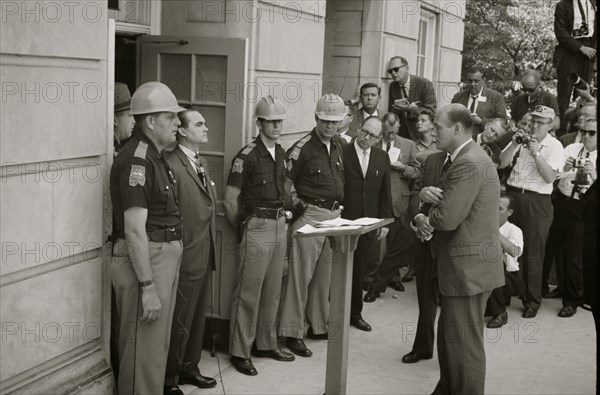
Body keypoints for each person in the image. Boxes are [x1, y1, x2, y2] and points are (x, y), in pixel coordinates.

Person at [415, 103, 504, 394]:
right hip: (467, 268)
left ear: (457, 128)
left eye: (437, 126)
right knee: (452, 340)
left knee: (464, 346)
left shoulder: (468, 162)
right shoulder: (464, 157)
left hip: (467, 270)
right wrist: (426, 199)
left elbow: (448, 217)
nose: (431, 130)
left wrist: (424, 216)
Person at [110, 81, 186, 394]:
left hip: (160, 255)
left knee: (154, 349)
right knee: (143, 351)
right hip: (147, 260)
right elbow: (133, 229)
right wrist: (148, 287)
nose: (179, 123)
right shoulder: (137, 160)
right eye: (171, 117)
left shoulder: (154, 155)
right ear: (151, 121)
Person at [224, 96, 295, 375]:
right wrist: (245, 230)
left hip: (279, 226)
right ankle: (239, 351)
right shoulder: (247, 156)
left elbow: (286, 192)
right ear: (259, 123)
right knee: (248, 294)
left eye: (279, 121)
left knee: (272, 291)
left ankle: (266, 344)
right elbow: (230, 200)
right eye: (271, 121)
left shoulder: (282, 153)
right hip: (257, 227)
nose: (276, 126)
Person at [279, 94, 345, 356]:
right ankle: (292, 332)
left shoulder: (338, 145)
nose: (330, 126)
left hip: (333, 217)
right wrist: (299, 208)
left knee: (322, 277)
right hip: (310, 217)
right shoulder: (302, 148)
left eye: (335, 121)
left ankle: (318, 325)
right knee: (300, 278)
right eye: (325, 120)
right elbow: (284, 185)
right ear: (316, 118)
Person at [163, 107, 217, 394]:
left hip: (205, 253)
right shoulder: (170, 163)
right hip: (184, 254)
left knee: (197, 317)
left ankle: (189, 367)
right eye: (199, 124)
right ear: (182, 131)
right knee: (179, 318)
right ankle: (170, 377)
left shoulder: (201, 162)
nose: (206, 127)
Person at [499, 105, 565, 318]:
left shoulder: (555, 146)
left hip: (537, 199)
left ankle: (531, 300)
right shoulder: (521, 138)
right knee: (505, 243)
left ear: (550, 124)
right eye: (533, 121)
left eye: (541, 122)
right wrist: (514, 144)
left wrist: (537, 153)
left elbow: (549, 178)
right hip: (513, 195)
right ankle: (505, 292)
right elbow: (503, 163)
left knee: (533, 253)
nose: (535, 125)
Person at [341, 116, 392, 331]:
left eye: (372, 136)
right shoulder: (342, 153)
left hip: (368, 223)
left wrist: (384, 222)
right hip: (342, 221)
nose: (366, 138)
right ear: (358, 129)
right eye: (364, 132)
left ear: (379, 138)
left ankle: (355, 314)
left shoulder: (382, 157)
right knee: (338, 270)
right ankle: (331, 315)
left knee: (359, 270)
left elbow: (385, 191)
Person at [363, 113, 421, 301]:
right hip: (376, 201)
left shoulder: (408, 144)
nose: (391, 136)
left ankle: (392, 278)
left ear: (399, 128)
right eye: (387, 133)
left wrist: (402, 168)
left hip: (398, 202)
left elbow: (417, 171)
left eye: (394, 132)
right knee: (374, 246)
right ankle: (371, 279)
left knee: (395, 246)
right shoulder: (373, 141)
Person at [544, 118, 597, 317]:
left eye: (592, 132)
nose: (586, 136)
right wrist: (566, 169)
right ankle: (558, 287)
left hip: (585, 208)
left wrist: (594, 174)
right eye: (583, 131)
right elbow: (554, 174)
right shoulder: (572, 148)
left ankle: (572, 300)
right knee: (554, 249)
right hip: (564, 203)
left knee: (575, 256)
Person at [401, 150, 447, 364]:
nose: (436, 134)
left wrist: (434, 224)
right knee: (426, 299)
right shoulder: (432, 160)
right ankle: (423, 347)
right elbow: (416, 192)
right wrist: (419, 216)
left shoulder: (471, 161)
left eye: (440, 127)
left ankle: (451, 356)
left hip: (451, 245)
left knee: (451, 306)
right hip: (425, 242)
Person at [485, 193, 525, 328]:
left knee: (494, 259)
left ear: (510, 212)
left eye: (499, 209)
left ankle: (500, 313)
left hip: (509, 278)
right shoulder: (480, 225)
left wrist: (493, 232)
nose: (494, 211)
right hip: (482, 276)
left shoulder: (514, 230)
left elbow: (514, 251)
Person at [553, 0, 597, 121]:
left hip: (590, 51)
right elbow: (560, 33)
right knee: (564, 94)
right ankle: (562, 131)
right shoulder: (562, 5)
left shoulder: (594, 3)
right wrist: (580, 48)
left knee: (583, 92)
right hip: (569, 50)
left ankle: (578, 127)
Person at [387, 56, 437, 141]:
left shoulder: (425, 84)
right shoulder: (393, 86)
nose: (393, 73)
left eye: (396, 69)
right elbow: (391, 111)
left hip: (420, 135)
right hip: (401, 135)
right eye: (390, 71)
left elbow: (431, 112)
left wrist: (410, 109)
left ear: (406, 68)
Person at [451, 66, 507, 136]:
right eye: (470, 81)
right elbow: (451, 118)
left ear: (483, 80)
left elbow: (503, 121)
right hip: (460, 137)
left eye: (476, 81)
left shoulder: (496, 97)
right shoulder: (458, 97)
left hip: (483, 139)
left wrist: (481, 121)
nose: (473, 84)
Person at [113, 82, 135, 156]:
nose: (134, 121)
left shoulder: (116, 146)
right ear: (114, 120)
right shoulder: (110, 151)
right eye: (130, 115)